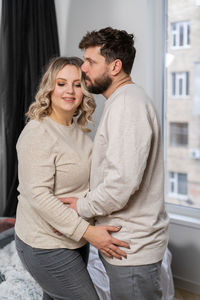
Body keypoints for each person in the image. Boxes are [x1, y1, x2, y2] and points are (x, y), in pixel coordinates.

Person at [60, 28, 169, 300]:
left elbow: (120, 183)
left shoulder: (127, 105)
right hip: (124, 244)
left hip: (130, 249)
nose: (83, 68)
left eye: (91, 62)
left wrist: (81, 206)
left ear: (115, 66)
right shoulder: (122, 101)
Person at [14, 56, 129, 300]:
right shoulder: (38, 133)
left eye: (77, 84)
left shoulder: (79, 131)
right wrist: (88, 232)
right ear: (49, 88)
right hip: (44, 244)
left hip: (74, 240)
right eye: (62, 83)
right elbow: (38, 196)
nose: (70, 91)